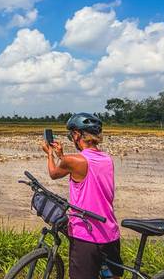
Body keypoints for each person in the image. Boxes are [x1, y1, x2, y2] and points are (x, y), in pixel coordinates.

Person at [40, 112, 123, 279]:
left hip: (87, 235)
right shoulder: (107, 159)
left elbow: (54, 173)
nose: (72, 138)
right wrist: (63, 157)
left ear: (77, 134)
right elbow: (84, 173)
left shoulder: (73, 161)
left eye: (72, 135)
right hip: (110, 233)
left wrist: (49, 153)